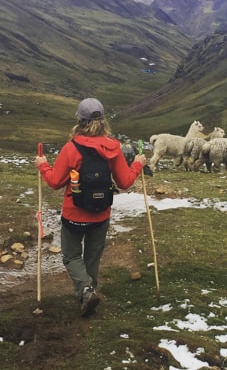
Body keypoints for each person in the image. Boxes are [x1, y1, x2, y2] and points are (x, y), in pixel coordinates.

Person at [35, 98, 147, 317]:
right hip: (101, 214)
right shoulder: (113, 147)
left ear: (80, 119)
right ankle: (88, 292)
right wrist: (138, 164)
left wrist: (43, 166)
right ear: (102, 120)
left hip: (73, 214)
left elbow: (55, 182)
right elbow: (124, 182)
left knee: (71, 255)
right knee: (92, 257)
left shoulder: (71, 148)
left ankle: (85, 290)